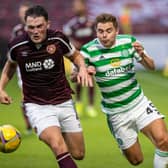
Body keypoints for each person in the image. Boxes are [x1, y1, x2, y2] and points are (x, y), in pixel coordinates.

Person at [0, 5, 93, 168]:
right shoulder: (17, 45)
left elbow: (75, 55)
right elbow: (10, 65)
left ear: (47, 24)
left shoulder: (58, 39)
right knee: (58, 146)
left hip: (64, 101)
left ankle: (54, 130)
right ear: (25, 26)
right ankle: (47, 129)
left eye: (39, 26)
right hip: (37, 106)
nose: (35, 31)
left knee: (79, 153)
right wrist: (0, 88)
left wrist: (82, 68)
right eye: (31, 27)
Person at [72, 13, 168, 167]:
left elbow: (151, 67)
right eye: (100, 31)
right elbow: (73, 76)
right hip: (116, 113)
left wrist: (142, 54)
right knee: (136, 160)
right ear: (96, 32)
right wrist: (83, 71)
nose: (104, 35)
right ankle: (123, 142)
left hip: (139, 104)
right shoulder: (88, 50)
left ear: (116, 31)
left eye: (108, 31)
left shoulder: (129, 42)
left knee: (164, 141)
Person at [63, 0, 97, 118]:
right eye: (74, 6)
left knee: (91, 79)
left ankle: (91, 106)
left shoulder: (92, 22)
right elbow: (67, 39)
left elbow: (96, 37)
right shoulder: (71, 24)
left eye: (78, 5)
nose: (76, 8)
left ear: (84, 6)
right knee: (78, 79)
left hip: (91, 55)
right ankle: (78, 103)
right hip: (76, 56)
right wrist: (75, 44)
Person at [11, 1, 33, 134]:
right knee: (26, 96)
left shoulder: (36, 28)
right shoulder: (17, 30)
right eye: (20, 12)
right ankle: (29, 124)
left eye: (24, 12)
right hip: (23, 68)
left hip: (39, 65)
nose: (22, 15)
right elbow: (13, 49)